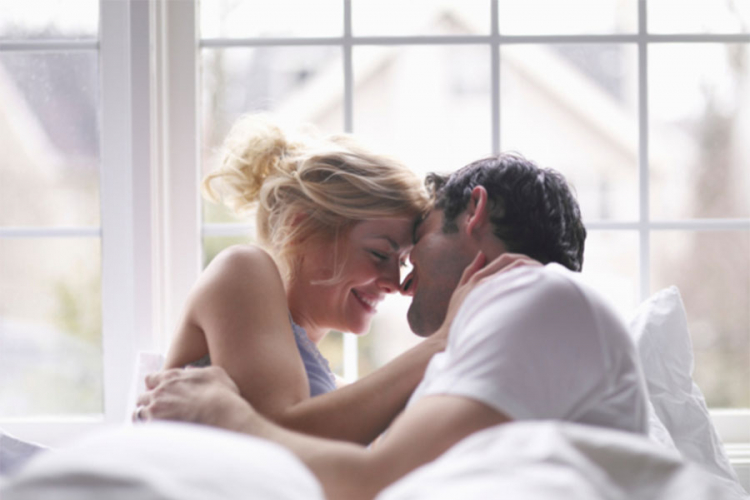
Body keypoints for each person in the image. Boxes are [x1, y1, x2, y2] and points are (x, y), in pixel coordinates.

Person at [138, 153, 648, 500]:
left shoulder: (538, 299)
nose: (401, 283)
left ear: (474, 212)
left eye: (413, 247)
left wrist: (221, 412)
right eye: (383, 254)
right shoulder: (499, 339)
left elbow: (366, 480)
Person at [152, 113, 446, 445]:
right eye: (379, 254)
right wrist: (443, 341)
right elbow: (283, 436)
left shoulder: (333, 392)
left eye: (402, 262)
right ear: (300, 228)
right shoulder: (242, 268)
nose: (394, 283)